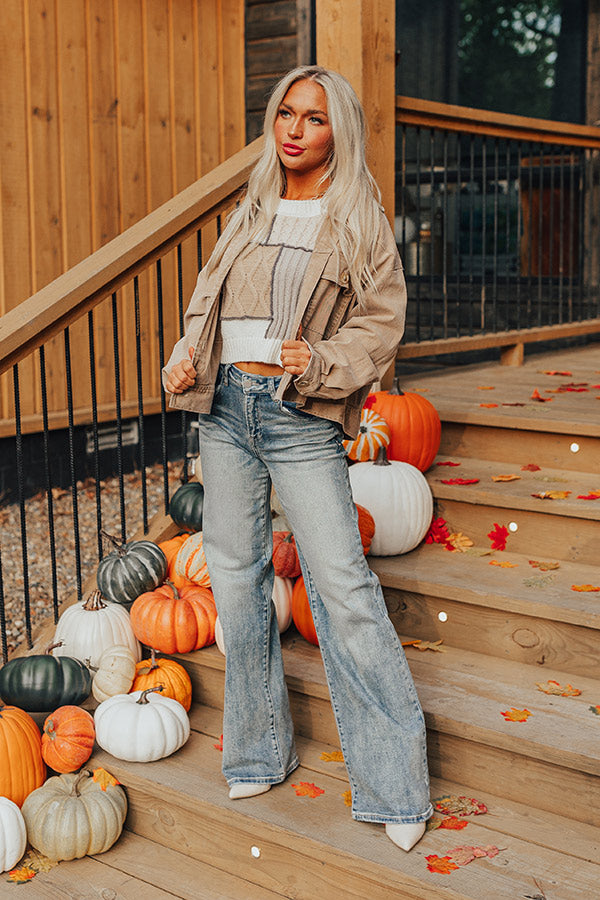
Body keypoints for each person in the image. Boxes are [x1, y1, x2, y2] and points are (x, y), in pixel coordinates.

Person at [163, 65, 432, 851]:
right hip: (224, 410)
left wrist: (316, 361)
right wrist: (186, 356)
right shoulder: (252, 210)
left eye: (313, 119)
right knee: (239, 583)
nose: (294, 129)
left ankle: (396, 786)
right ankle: (256, 751)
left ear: (337, 131)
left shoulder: (359, 223)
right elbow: (208, 308)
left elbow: (381, 327)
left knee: (343, 589)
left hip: (296, 414)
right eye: (285, 113)